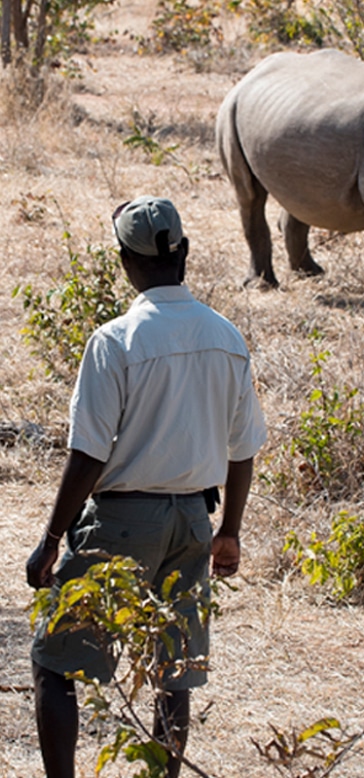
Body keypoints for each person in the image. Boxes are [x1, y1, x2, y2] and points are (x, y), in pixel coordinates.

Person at [25, 195, 267, 778]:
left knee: (54, 662)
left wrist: (53, 536)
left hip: (122, 522)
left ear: (125, 263)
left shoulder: (115, 341)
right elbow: (243, 448)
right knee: (172, 669)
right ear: (184, 252)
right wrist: (228, 531)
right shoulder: (226, 336)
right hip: (192, 523)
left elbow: (88, 455)